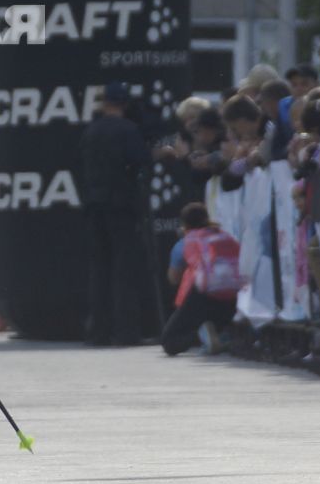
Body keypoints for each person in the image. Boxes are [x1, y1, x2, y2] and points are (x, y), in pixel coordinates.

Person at [80, 82, 149, 346]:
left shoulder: (91, 131)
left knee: (99, 269)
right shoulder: (128, 130)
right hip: (121, 204)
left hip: (94, 204)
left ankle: (97, 330)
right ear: (125, 104)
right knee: (124, 268)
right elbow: (140, 160)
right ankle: (127, 331)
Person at [161, 203, 241, 356]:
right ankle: (219, 335)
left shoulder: (185, 242)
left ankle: (201, 335)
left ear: (184, 224)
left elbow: (173, 278)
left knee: (169, 342)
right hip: (232, 296)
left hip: (203, 295)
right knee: (214, 320)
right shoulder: (223, 235)